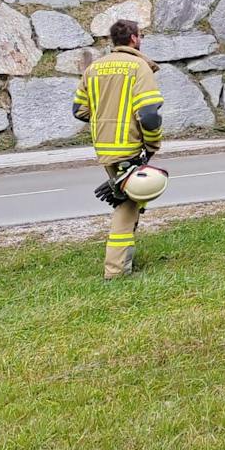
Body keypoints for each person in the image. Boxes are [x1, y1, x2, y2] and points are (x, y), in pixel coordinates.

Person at [72, 19, 164, 279]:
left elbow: (79, 110)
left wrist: (105, 121)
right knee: (127, 206)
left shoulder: (95, 68)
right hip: (131, 146)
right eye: (140, 35)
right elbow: (149, 114)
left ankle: (127, 258)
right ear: (134, 38)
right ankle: (116, 271)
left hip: (105, 147)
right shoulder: (139, 67)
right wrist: (153, 144)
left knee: (130, 198)